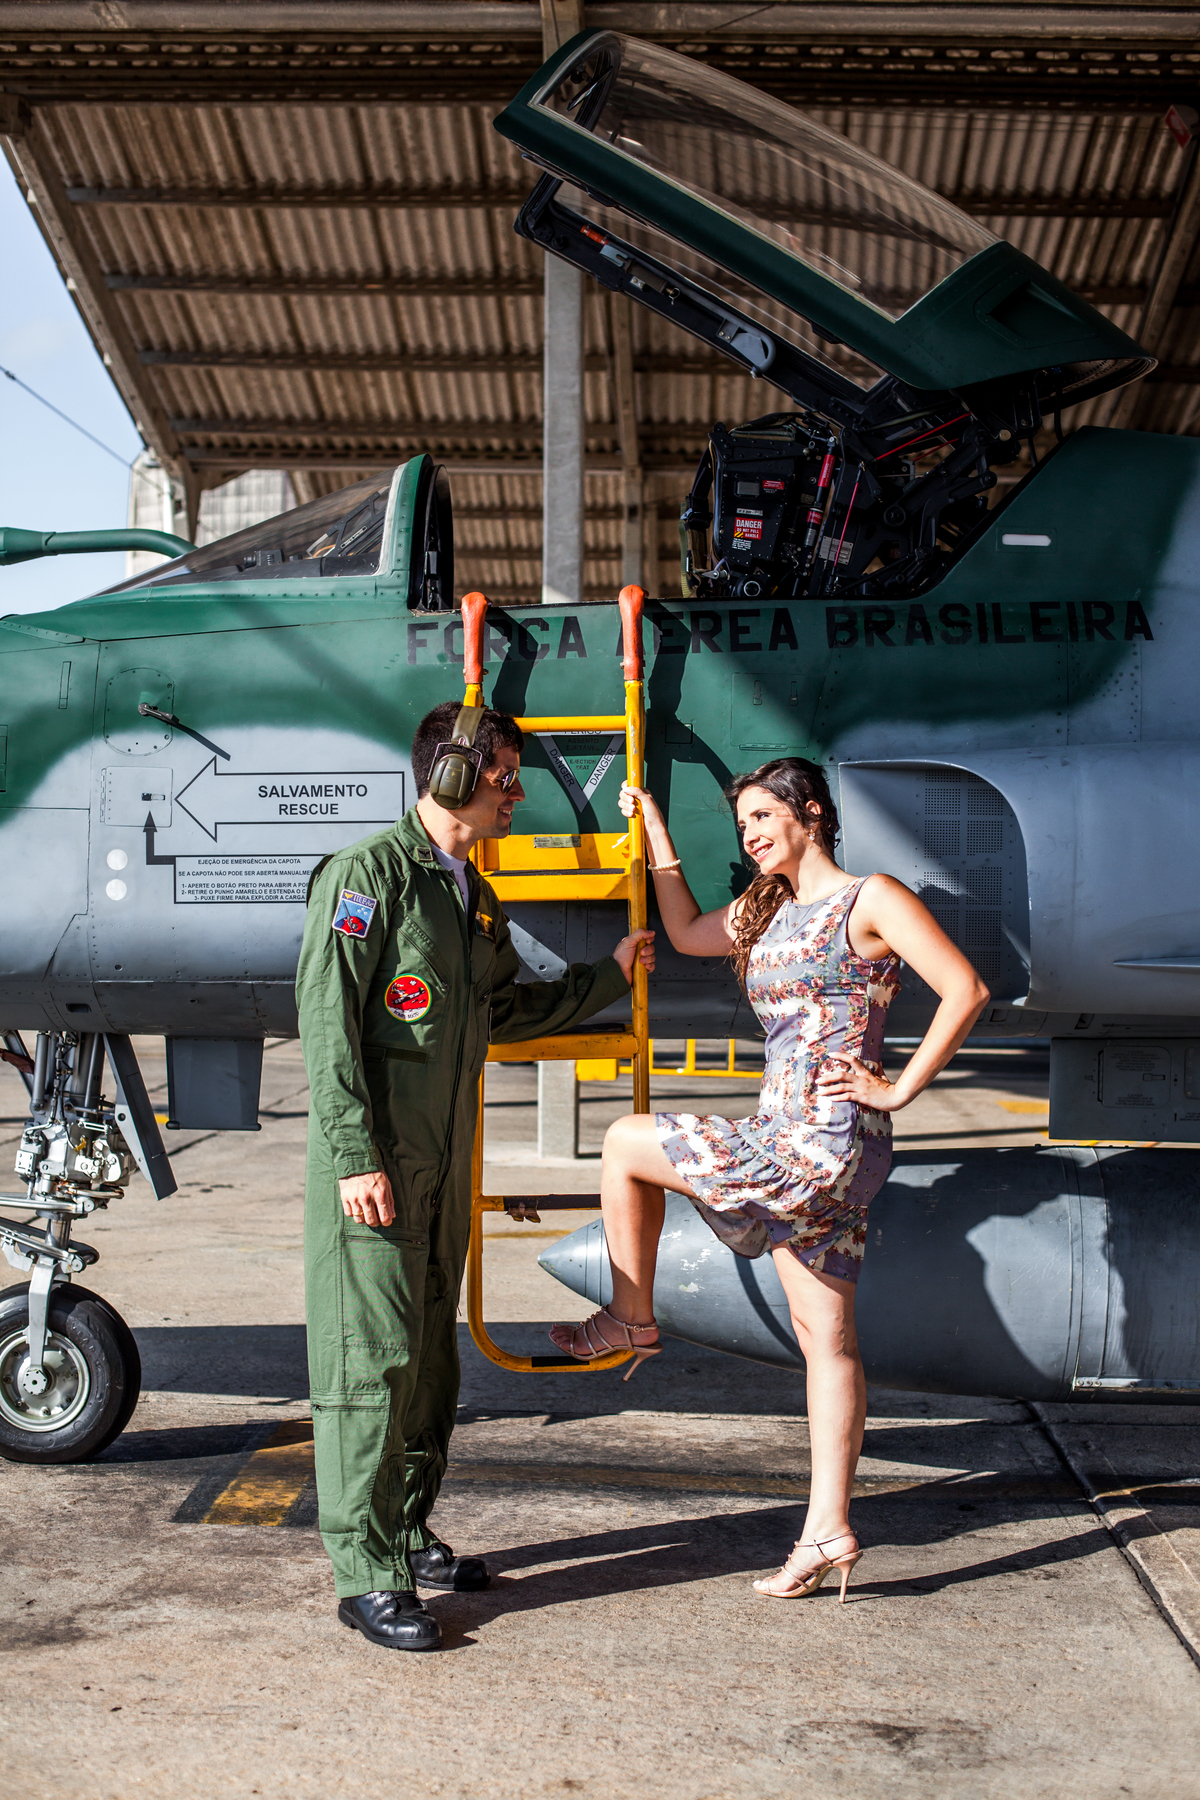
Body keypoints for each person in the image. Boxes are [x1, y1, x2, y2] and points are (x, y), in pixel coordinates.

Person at [550, 758, 988, 1603]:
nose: (749, 833)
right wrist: (658, 840)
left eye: (761, 816)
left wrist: (896, 1088)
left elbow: (964, 988)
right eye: (742, 820)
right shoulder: (764, 908)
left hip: (819, 1138)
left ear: (811, 815)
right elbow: (682, 934)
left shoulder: (872, 899)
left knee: (626, 1141)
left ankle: (632, 1317)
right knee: (825, 1338)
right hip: (797, 1138)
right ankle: (828, 1529)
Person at [297, 699, 654, 1652]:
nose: (518, 793)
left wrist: (611, 976)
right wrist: (352, 1156)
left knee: (430, 1364)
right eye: (505, 777)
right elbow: (327, 1023)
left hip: (442, 1172)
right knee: (367, 1366)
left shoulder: (470, 894)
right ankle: (364, 1574)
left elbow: (506, 1011)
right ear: (452, 775)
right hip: (374, 1172)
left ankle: (406, 1534)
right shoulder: (366, 879)